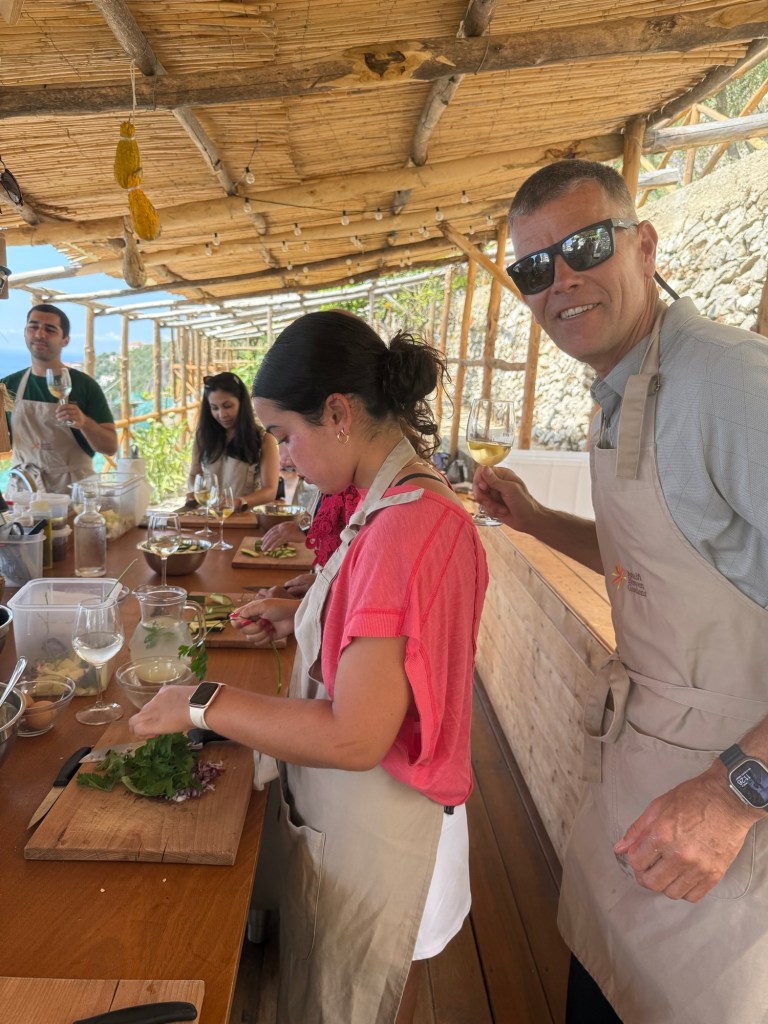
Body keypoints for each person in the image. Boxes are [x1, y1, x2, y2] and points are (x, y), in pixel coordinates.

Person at [473, 158, 768, 1024]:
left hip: (724, 797)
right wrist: (538, 523)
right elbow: (668, 555)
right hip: (645, 776)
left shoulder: (725, 382)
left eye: (585, 246)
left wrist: (738, 791)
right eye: (533, 268)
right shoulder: (627, 385)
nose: (560, 280)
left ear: (643, 245)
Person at [132, 310, 489, 1024]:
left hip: (382, 826)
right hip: (356, 815)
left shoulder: (405, 525)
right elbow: (389, 629)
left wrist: (201, 701)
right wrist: (304, 613)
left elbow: (355, 736)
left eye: (286, 435)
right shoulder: (400, 496)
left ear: (338, 414)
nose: (286, 459)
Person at [2, 303, 117, 492]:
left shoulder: (84, 385)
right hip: (23, 491)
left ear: (65, 340)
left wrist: (84, 422)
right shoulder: (7, 386)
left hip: (73, 491)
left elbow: (110, 447)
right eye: (33, 326)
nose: (40, 334)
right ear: (25, 332)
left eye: (50, 329)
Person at [185, 370, 279, 509]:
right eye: (214, 408)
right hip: (209, 515)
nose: (222, 414)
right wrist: (195, 491)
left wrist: (238, 502)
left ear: (241, 402)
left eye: (227, 406)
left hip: (244, 516)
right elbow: (194, 474)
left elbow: (270, 491)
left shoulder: (263, 439)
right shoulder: (203, 435)